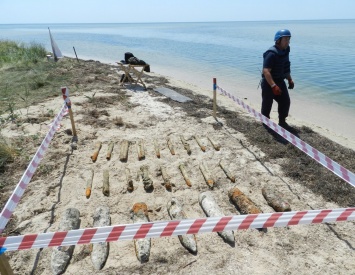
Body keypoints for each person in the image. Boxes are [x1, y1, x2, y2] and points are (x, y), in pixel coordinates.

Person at [261, 29, 294, 129]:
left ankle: (282, 122)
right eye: (285, 39)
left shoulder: (286, 50)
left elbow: (286, 66)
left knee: (285, 101)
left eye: (289, 39)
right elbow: (266, 71)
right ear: (278, 40)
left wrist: (289, 79)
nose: (287, 42)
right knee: (267, 103)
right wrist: (273, 86)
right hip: (269, 83)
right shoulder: (271, 53)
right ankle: (265, 123)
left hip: (280, 81)